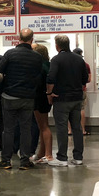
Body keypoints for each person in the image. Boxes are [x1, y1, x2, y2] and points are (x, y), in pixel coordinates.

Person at [0, 28, 44, 170]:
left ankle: (6, 160)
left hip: (9, 97)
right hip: (27, 98)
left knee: (8, 130)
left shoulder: (10, 54)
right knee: (26, 129)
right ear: (32, 40)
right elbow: (38, 78)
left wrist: (1, 91)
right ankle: (24, 161)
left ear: (19, 39)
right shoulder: (37, 57)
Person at [46, 35, 88, 167]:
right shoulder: (79, 59)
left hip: (61, 99)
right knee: (77, 128)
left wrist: (49, 93)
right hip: (76, 98)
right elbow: (84, 79)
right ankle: (78, 157)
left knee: (62, 128)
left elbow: (51, 78)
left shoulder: (56, 59)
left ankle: (62, 158)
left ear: (57, 46)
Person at [31, 44, 53, 164]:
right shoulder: (48, 65)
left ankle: (48, 154)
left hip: (39, 97)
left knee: (43, 126)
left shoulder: (39, 67)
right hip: (45, 97)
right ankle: (42, 153)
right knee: (43, 126)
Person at [71, 48, 92, 136]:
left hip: (70, 90)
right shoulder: (85, 65)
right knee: (81, 109)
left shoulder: (69, 64)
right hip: (82, 90)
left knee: (69, 110)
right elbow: (89, 79)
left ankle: (69, 130)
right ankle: (82, 130)